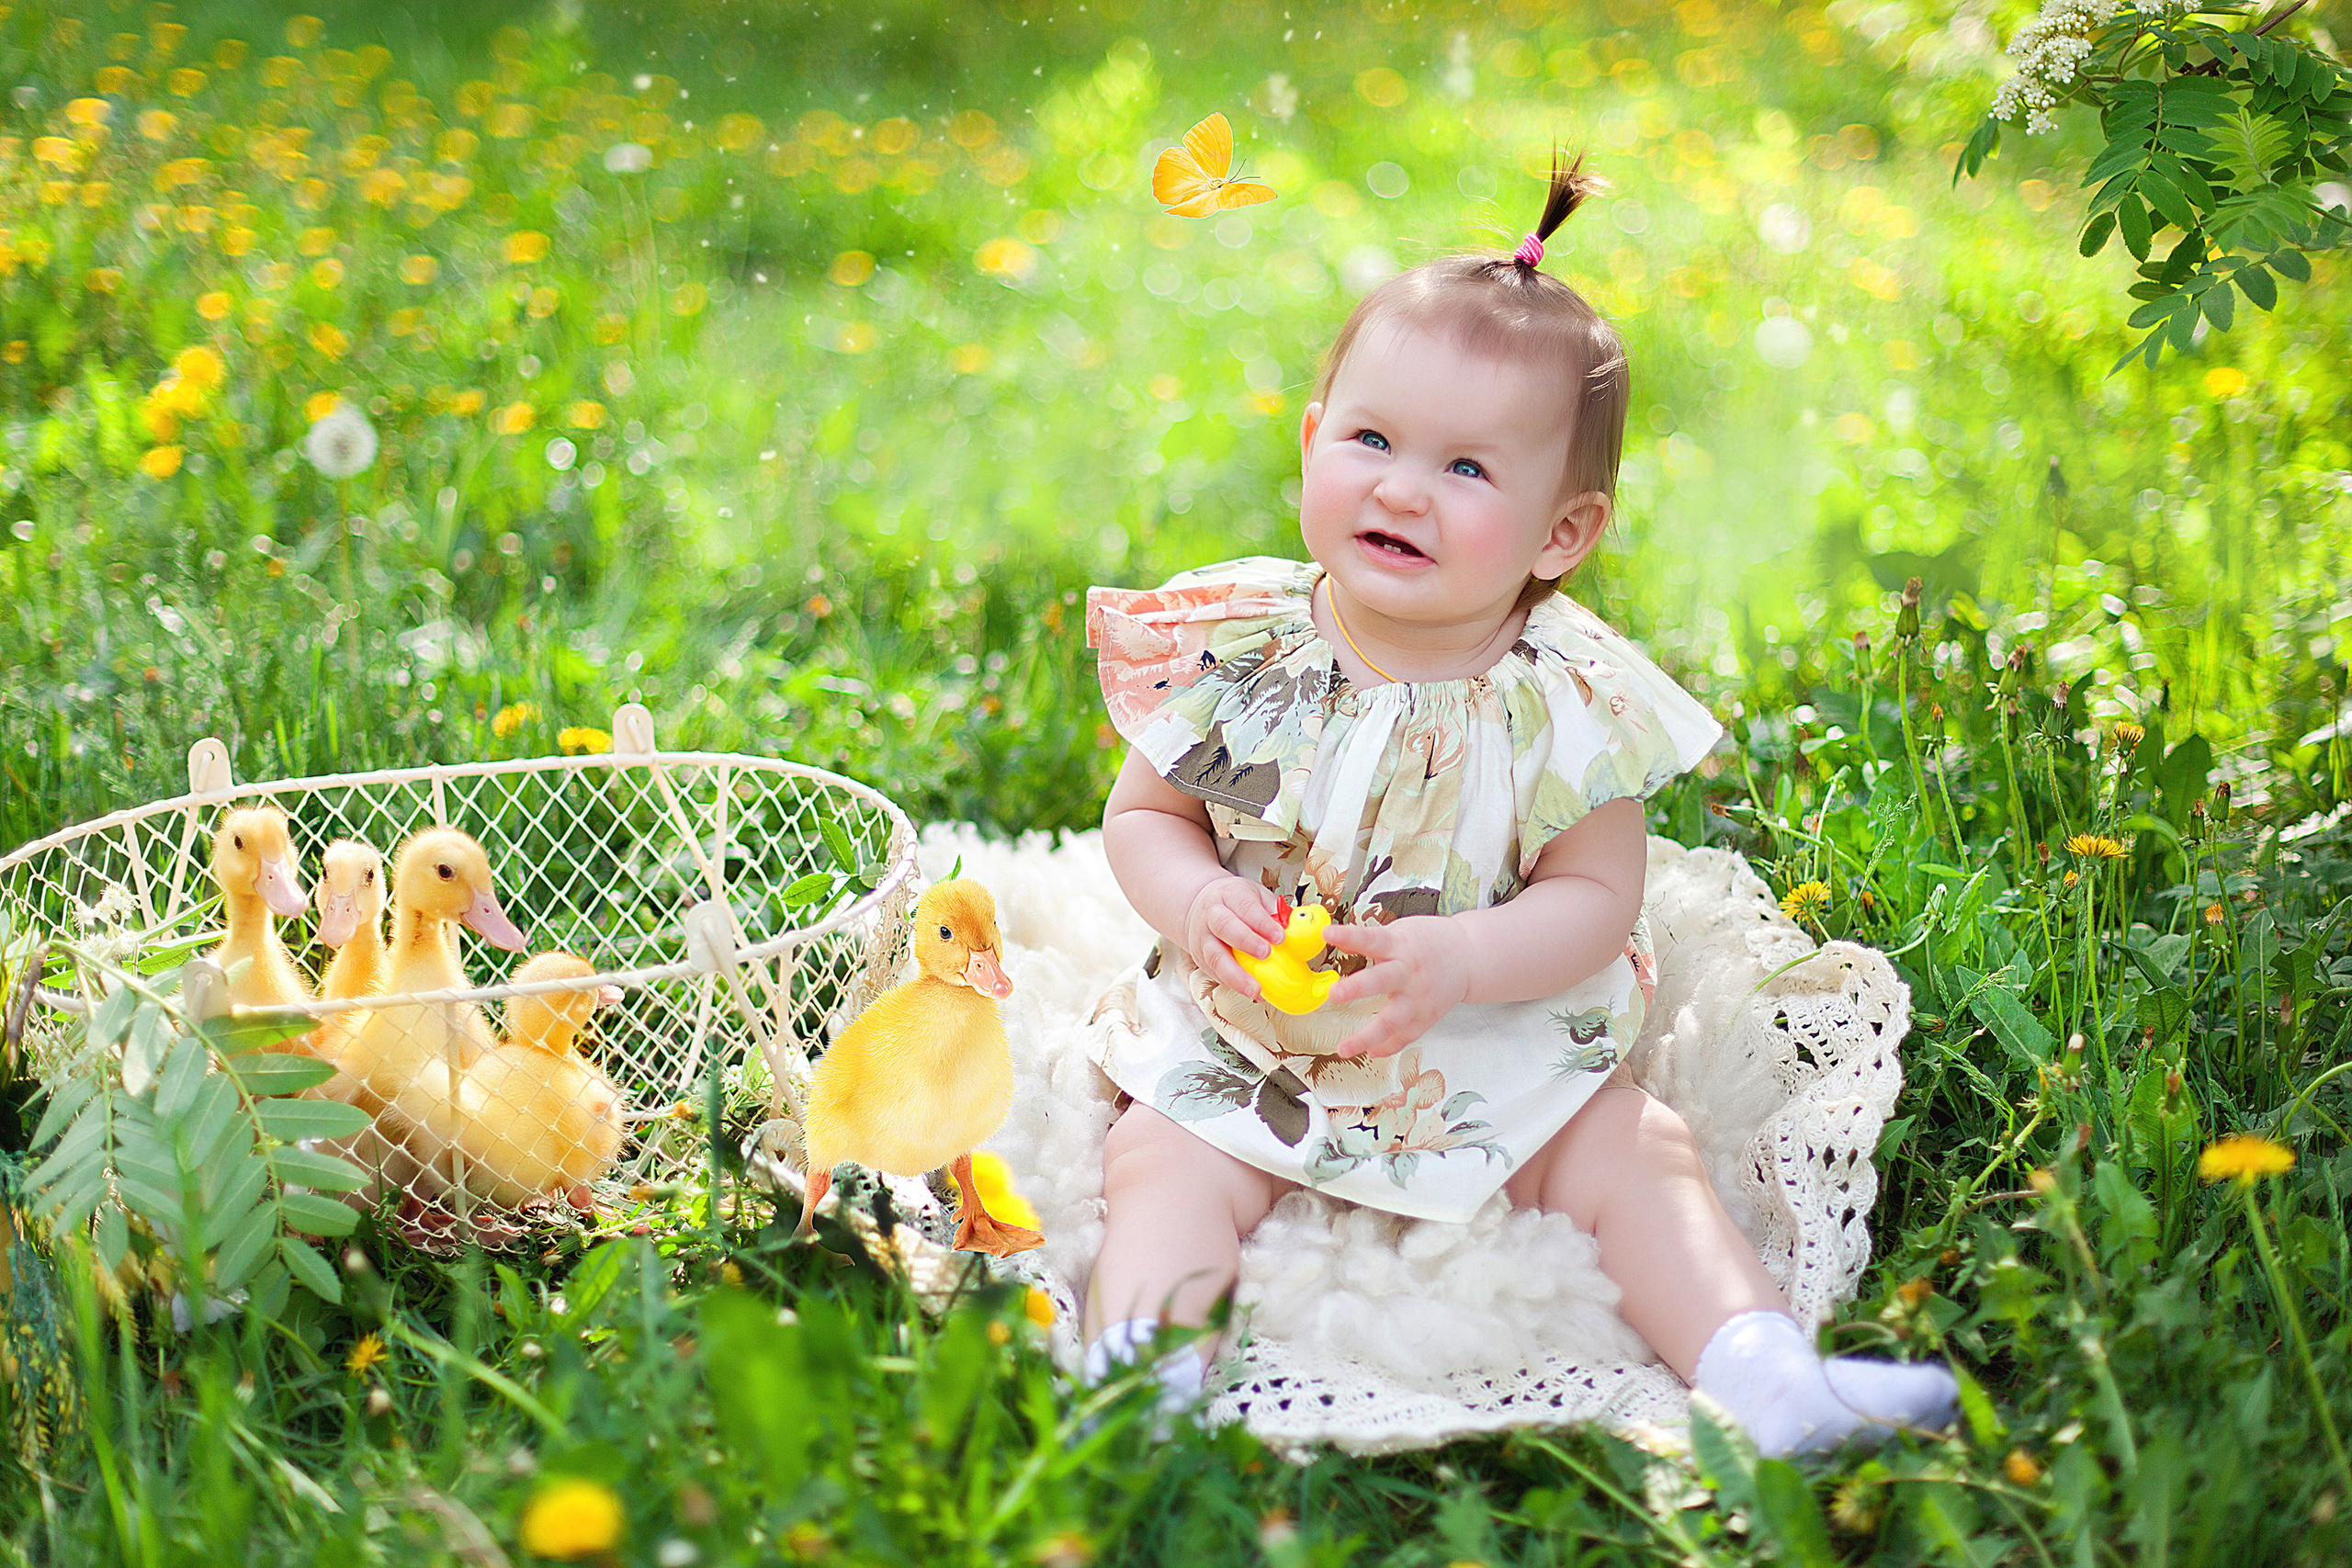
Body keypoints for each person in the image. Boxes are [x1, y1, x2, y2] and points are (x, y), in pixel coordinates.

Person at [1076, 157, 1956, 1457]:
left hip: (1490, 1042)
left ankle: (1762, 1372)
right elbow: (1143, 817)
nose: (1401, 489)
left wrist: (1462, 958)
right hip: (1255, 1029)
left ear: (1562, 532)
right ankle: (1141, 1385)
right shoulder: (1246, 646)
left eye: (1468, 468)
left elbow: (1597, 902)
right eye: (1371, 440)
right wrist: (1199, 897)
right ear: (1312, 439)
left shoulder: (1566, 700)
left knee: (1635, 1153)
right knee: (1161, 1157)